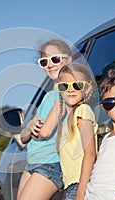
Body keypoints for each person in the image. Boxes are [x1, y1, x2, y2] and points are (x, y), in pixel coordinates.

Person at [17, 39, 72, 200]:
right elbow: (24, 137)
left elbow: (44, 133)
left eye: (55, 59)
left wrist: (32, 128)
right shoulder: (49, 95)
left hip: (50, 164)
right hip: (32, 163)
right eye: (44, 61)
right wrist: (30, 127)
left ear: (68, 59)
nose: (50, 64)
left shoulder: (67, 94)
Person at [46, 63, 98, 200]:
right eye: (64, 86)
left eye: (77, 85)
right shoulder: (68, 118)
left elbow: (90, 154)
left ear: (87, 89)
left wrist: (80, 192)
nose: (70, 90)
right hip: (72, 185)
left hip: (81, 184)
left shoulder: (83, 111)